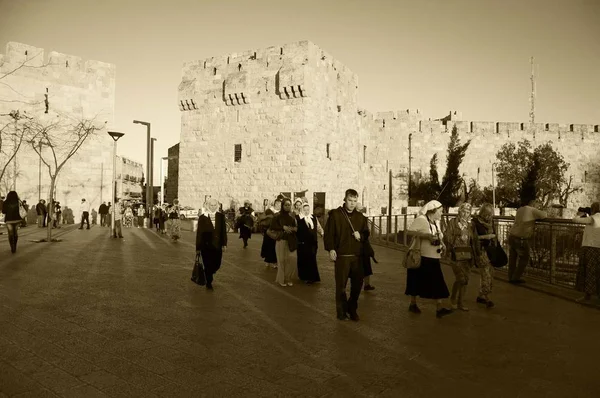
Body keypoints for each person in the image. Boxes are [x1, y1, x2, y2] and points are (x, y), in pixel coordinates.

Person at [324, 189, 369, 321]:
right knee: (341, 287)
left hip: (357, 256)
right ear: (345, 199)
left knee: (357, 285)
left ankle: (352, 308)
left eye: (355, 201)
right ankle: (341, 311)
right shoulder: (335, 215)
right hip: (342, 256)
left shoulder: (360, 217)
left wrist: (360, 235)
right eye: (350, 200)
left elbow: (366, 234)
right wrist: (331, 249)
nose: (352, 204)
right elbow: (329, 234)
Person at [405, 200, 453, 318]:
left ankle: (438, 307)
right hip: (422, 256)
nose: (441, 214)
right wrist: (426, 236)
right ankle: (414, 304)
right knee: (416, 280)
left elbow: (438, 235)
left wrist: (443, 244)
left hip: (433, 256)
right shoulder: (421, 220)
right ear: (433, 210)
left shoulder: (435, 222)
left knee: (437, 281)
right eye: (440, 211)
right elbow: (409, 232)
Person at [508, 198, 547, 283]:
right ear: (534, 204)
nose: (538, 207)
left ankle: (510, 277)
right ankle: (515, 278)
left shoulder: (520, 209)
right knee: (524, 258)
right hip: (521, 238)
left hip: (512, 235)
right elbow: (544, 215)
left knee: (512, 258)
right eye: (538, 205)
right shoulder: (532, 210)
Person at [444, 202, 474, 311]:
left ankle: (461, 302)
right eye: (464, 212)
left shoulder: (471, 224)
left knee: (465, 279)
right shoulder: (453, 222)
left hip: (467, 255)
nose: (466, 214)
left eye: (468, 212)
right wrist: (457, 237)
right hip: (455, 254)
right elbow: (447, 236)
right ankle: (453, 298)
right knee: (460, 278)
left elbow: (473, 240)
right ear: (459, 212)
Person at [196, 198, 228, 290]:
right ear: (208, 205)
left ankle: (211, 271)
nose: (213, 207)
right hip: (205, 246)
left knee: (217, 264)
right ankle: (209, 282)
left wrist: (224, 244)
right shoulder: (203, 217)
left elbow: (223, 231)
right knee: (207, 264)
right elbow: (199, 233)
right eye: (211, 205)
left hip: (217, 245)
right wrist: (198, 248)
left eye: (214, 205)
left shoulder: (221, 216)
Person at [471, 203, 498, 308]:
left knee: (491, 273)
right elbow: (473, 238)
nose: (489, 216)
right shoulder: (475, 223)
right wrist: (486, 237)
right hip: (481, 250)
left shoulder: (491, 222)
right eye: (488, 214)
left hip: (491, 250)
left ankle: (481, 295)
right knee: (486, 273)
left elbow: (494, 234)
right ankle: (487, 298)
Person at [572, 202, 600, 301]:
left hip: (590, 247)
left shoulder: (593, 218)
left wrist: (578, 214)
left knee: (589, 272)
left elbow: (575, 220)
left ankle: (587, 296)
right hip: (598, 248)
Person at [270, 198, 298, 287]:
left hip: (291, 241)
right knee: (281, 261)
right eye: (286, 205)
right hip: (281, 240)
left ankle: (288, 278)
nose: (287, 206)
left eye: (289, 205)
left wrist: (293, 229)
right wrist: (283, 227)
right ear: (282, 206)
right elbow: (272, 226)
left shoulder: (292, 217)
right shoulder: (277, 216)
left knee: (292, 259)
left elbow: (296, 228)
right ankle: (281, 279)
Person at [296, 203, 324, 284]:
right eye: (304, 210)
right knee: (304, 260)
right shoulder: (298, 218)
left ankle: (313, 277)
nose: (306, 211)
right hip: (302, 243)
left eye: (308, 210)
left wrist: (322, 233)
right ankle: (304, 277)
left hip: (313, 243)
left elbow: (318, 227)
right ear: (301, 210)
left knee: (312, 259)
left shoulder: (313, 217)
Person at [260, 199, 281, 269]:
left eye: (280, 204)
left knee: (275, 247)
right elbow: (261, 217)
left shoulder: (281, 212)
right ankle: (267, 260)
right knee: (268, 247)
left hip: (277, 232)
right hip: (268, 232)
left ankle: (275, 262)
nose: (279, 206)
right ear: (274, 204)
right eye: (277, 204)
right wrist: (268, 216)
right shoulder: (269, 211)